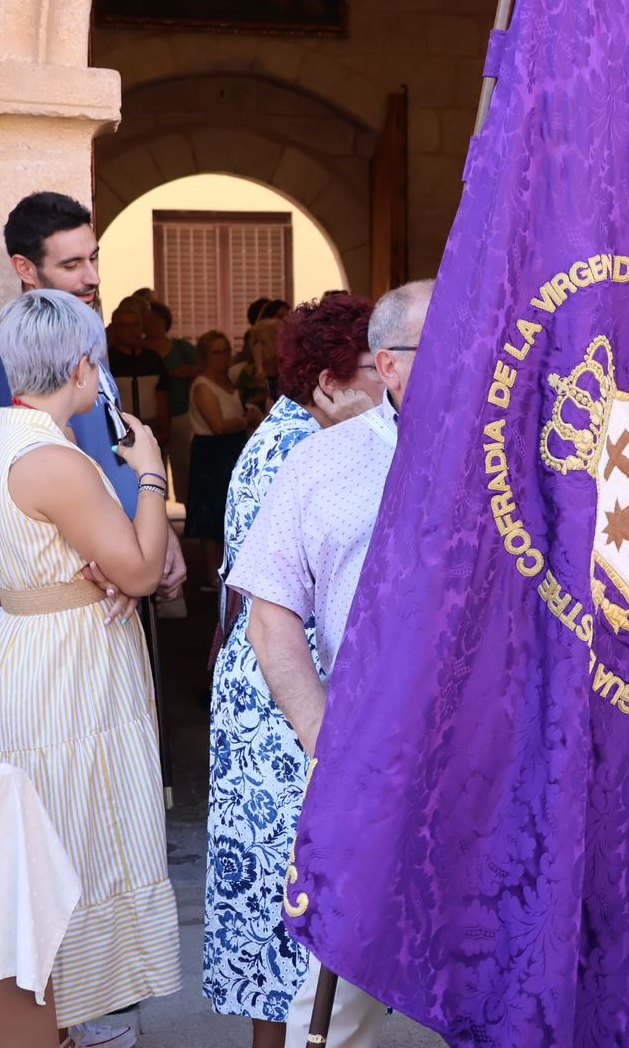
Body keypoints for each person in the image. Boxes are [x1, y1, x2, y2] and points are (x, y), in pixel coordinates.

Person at [0, 290, 181, 1048]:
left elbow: (106, 564)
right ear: (82, 367)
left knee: (55, 829)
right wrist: (151, 475)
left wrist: (107, 571)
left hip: (33, 647)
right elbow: (142, 568)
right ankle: (66, 1014)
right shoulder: (56, 458)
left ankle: (63, 1016)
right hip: (68, 667)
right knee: (78, 829)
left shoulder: (5, 439)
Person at [229, 280, 433, 1048]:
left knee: (512, 969)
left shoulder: (518, 452)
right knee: (340, 981)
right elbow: (271, 614)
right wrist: (325, 738)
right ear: (390, 363)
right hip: (370, 754)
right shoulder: (321, 461)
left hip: (496, 751)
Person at [203, 294, 378, 1048]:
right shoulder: (307, 449)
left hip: (267, 677)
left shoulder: (291, 430)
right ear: (330, 382)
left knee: (286, 893)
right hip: (285, 681)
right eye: (375, 367)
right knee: (294, 891)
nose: (390, 383)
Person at [0, 191, 186, 600]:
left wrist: (158, 530)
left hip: (128, 553)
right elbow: (43, 485)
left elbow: (111, 449)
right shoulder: (11, 354)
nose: (92, 277)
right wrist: (119, 569)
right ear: (25, 267)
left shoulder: (82, 336)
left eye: (93, 259)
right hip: (100, 582)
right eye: (72, 265)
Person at [186, 332, 260, 586]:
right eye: (216, 352)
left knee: (231, 508)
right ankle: (211, 572)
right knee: (210, 512)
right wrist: (246, 419)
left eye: (225, 351)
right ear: (204, 356)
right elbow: (217, 425)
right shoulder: (202, 385)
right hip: (211, 452)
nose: (222, 357)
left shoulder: (230, 380)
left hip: (233, 448)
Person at [144, 300, 199, 503]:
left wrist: (190, 371)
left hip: (179, 411)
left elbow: (205, 367)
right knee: (152, 466)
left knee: (183, 463)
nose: (153, 323)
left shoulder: (181, 347)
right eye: (149, 319)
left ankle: (187, 504)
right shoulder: (139, 350)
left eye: (157, 319)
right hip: (150, 415)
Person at [107, 297, 171, 444]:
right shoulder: (107, 361)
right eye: (125, 326)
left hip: (151, 428)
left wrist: (165, 431)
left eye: (136, 325)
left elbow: (161, 397)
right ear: (115, 329)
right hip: (119, 430)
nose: (132, 331)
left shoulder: (153, 359)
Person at [231, 317, 283, 411]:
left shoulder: (289, 371)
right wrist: (259, 369)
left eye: (263, 343)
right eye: (255, 342)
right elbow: (250, 406)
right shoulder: (248, 372)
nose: (257, 348)